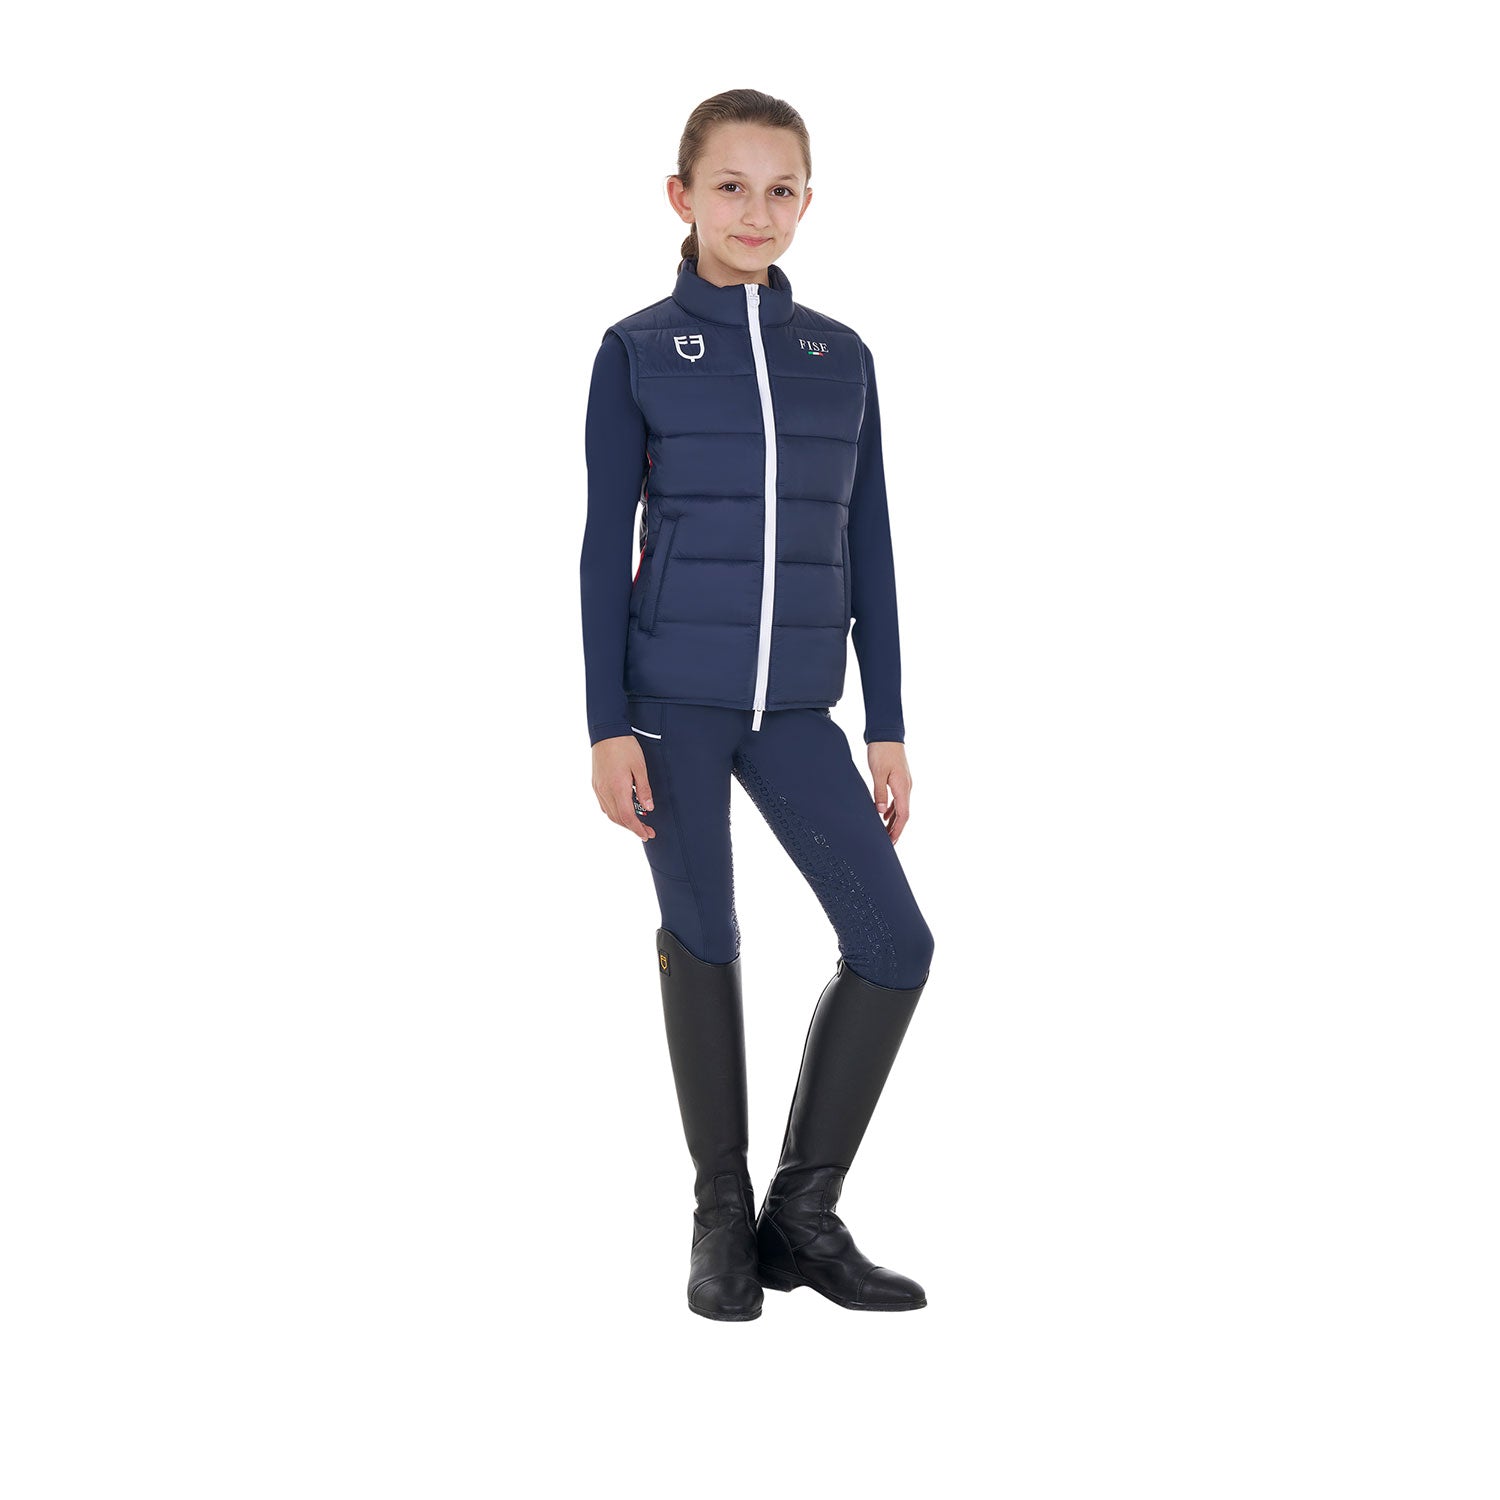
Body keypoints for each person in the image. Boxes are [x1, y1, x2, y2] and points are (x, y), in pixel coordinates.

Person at [579, 89, 935, 1321]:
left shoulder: (840, 358)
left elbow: (870, 543)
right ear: (682, 198)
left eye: (781, 189)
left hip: (797, 713)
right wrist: (604, 722)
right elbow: (600, 546)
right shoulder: (635, 350)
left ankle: (804, 1216)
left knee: (895, 945)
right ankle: (720, 1215)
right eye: (730, 186)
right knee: (707, 936)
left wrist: (885, 721)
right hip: (670, 704)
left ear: (807, 202)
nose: (756, 211)